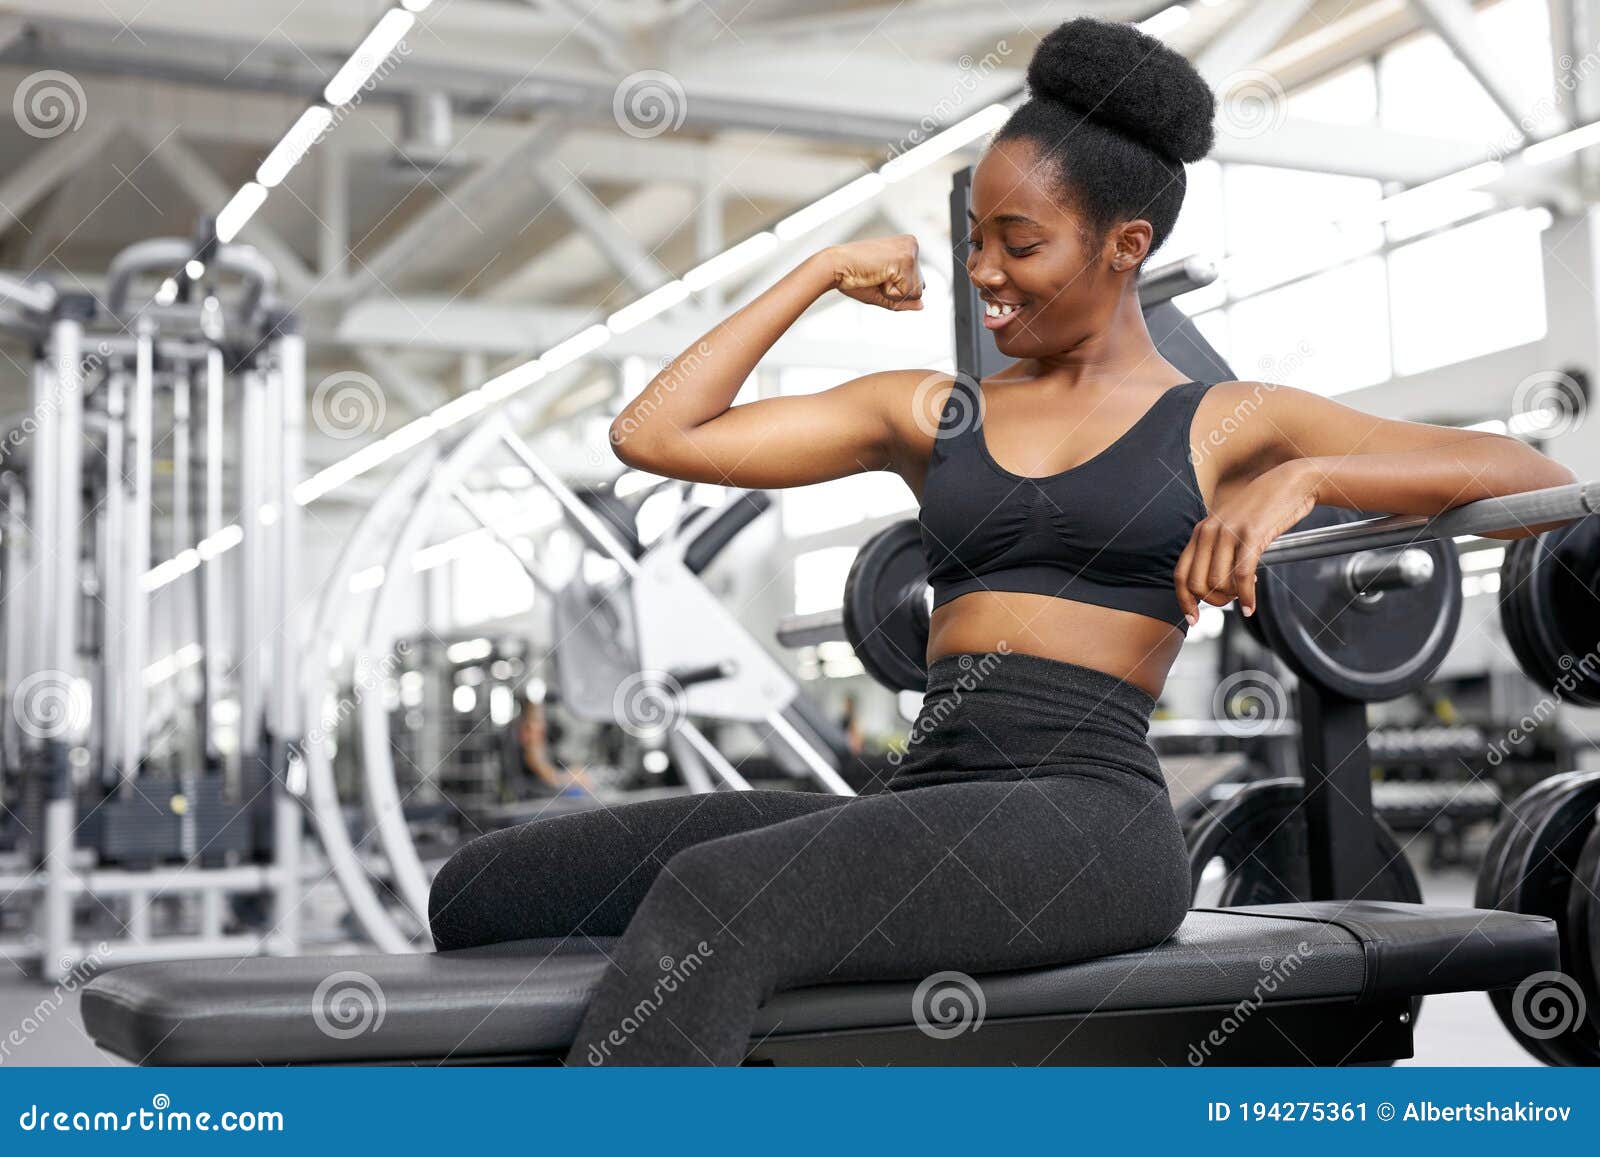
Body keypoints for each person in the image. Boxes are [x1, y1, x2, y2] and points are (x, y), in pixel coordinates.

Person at [427, 17, 1574, 1065]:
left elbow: (1531, 474)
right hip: (926, 791)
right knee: (485, 888)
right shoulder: (936, 411)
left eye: (1017, 244)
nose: (981, 273)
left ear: (1125, 246)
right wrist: (820, 269)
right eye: (977, 236)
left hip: (1089, 821)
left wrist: (1308, 478)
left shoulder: (1223, 418)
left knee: (724, 899)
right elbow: (654, 430)